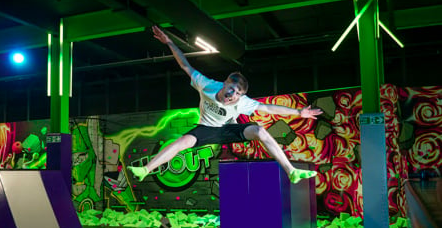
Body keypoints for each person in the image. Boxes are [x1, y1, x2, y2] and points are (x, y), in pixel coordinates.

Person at [128, 26, 322, 184]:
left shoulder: (242, 102)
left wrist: (298, 112)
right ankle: (146, 170)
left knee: (259, 130)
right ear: (225, 83)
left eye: (237, 94)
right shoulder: (206, 85)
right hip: (207, 128)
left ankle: (291, 171)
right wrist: (169, 42)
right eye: (231, 89)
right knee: (182, 142)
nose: (232, 96)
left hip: (228, 129)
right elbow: (185, 65)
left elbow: (269, 108)